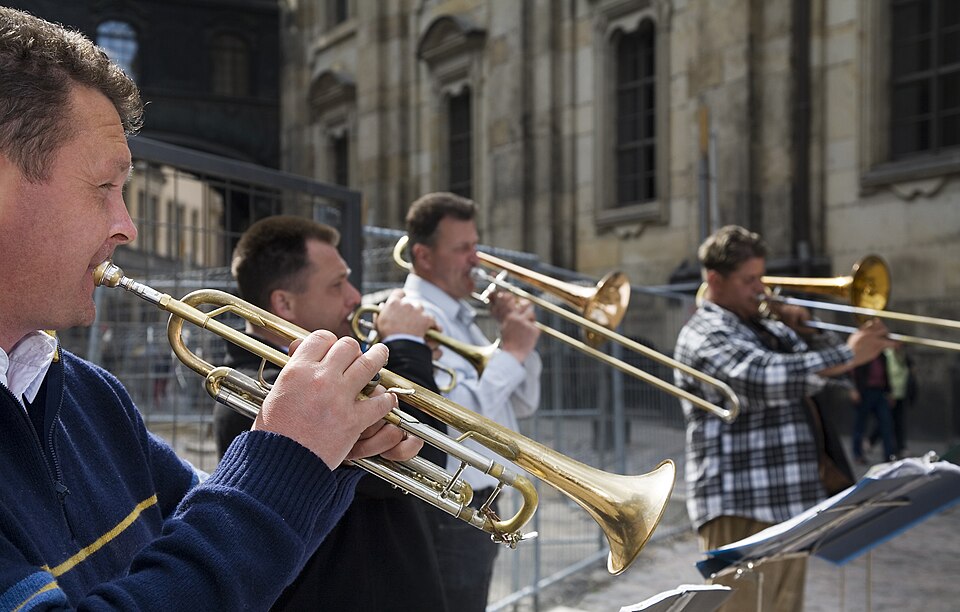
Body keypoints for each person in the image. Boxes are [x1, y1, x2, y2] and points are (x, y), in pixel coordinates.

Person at [0, 8, 421, 609]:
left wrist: (327, 460)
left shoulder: (90, 396)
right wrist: (287, 460)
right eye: (104, 187)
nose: (128, 228)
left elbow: (225, 567)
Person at [213, 215, 451, 611]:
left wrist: (407, 362)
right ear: (283, 304)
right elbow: (427, 454)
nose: (355, 296)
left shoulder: (332, 374)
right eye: (337, 284)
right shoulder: (258, 391)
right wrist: (407, 349)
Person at [673, 225, 894, 612]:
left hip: (790, 503)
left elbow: (825, 381)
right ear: (714, 280)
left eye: (761, 276)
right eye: (749, 280)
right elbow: (759, 378)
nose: (760, 288)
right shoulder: (703, 331)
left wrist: (805, 330)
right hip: (739, 503)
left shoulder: (767, 327)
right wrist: (846, 354)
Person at [402, 191, 542, 612]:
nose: (476, 259)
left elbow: (521, 403)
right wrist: (513, 352)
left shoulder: (460, 316)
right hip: (452, 506)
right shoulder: (416, 316)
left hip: (478, 500)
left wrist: (517, 343)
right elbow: (461, 420)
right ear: (424, 257)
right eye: (462, 248)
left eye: (475, 245)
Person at [850, 353, 897, 464]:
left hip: (880, 392)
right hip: (865, 391)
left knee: (886, 424)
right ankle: (858, 454)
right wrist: (853, 389)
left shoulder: (882, 356)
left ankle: (889, 455)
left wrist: (889, 392)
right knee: (860, 425)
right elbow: (852, 372)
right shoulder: (862, 353)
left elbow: (886, 374)